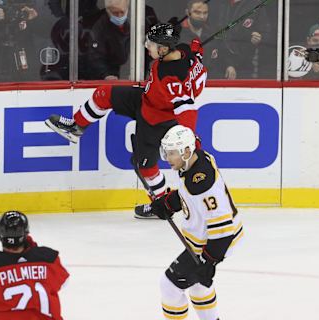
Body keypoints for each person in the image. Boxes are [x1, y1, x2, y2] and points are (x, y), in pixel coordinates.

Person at [45, 23, 208, 218]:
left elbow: (186, 107)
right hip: (146, 99)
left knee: (146, 167)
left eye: (152, 44)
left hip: (157, 120)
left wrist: (189, 137)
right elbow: (194, 58)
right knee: (104, 93)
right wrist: (196, 52)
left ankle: (161, 205)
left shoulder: (172, 78)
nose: (147, 46)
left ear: (164, 49)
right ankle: (75, 127)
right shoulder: (184, 51)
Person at [149, 125, 244, 320]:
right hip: (209, 240)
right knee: (198, 286)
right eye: (166, 153)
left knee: (169, 286)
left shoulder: (202, 184)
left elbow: (223, 230)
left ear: (186, 151)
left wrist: (209, 261)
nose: (167, 158)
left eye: (172, 153)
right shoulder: (194, 162)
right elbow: (188, 195)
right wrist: (167, 203)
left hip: (213, 243)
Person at [87, 0, 158, 80]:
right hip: (113, 73)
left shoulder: (144, 15)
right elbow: (96, 56)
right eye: (115, 13)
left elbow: (157, 39)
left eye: (122, 12)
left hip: (140, 69)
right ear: (108, 11)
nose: (119, 16)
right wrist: (106, 74)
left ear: (127, 7)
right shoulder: (99, 25)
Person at [209, 0, 273, 79]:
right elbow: (211, 35)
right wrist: (227, 64)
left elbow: (267, 35)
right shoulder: (217, 3)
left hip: (244, 68)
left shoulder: (255, 5)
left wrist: (260, 38)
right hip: (217, 66)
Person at [179, 0, 236, 79]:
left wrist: (229, 65)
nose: (202, 16)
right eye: (197, 13)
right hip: (185, 81)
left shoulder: (213, 33)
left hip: (211, 80)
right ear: (187, 13)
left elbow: (224, 52)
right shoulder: (177, 34)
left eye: (205, 13)